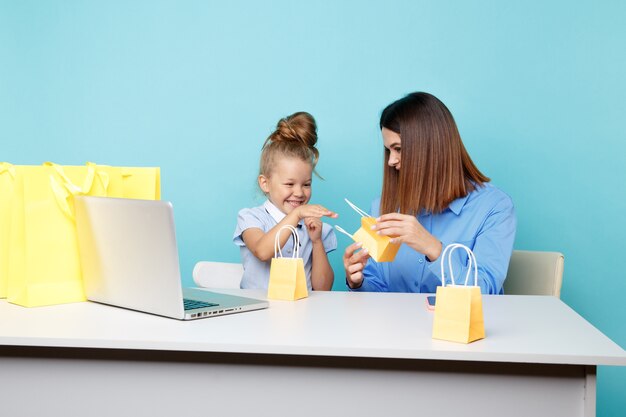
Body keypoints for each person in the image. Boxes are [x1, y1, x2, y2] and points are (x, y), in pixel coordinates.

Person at [343, 92, 516, 294]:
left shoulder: (494, 207)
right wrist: (359, 281)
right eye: (388, 151)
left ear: (430, 149)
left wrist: (433, 248)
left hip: (458, 326)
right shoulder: (383, 206)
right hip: (394, 325)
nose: (391, 161)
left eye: (398, 149)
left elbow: (486, 291)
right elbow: (378, 287)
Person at [234, 111, 338, 290]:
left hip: (302, 314)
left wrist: (317, 242)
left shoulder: (315, 228)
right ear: (265, 183)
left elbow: (323, 289)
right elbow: (262, 251)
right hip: (256, 315)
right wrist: (297, 214)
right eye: (289, 184)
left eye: (306, 184)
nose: (299, 192)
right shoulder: (251, 218)